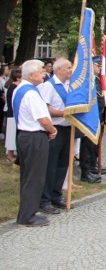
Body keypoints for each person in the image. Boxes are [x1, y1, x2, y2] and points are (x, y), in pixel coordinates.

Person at [15, 59, 57, 227]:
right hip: (34, 137)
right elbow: (43, 119)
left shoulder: (20, 89)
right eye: (41, 71)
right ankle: (28, 215)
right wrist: (52, 130)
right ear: (31, 75)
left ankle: (26, 211)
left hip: (24, 135)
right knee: (35, 177)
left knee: (28, 176)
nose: (44, 73)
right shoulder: (31, 93)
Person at [37, 58, 73, 215]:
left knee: (62, 165)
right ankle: (44, 199)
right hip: (55, 128)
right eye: (68, 68)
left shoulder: (69, 86)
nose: (71, 70)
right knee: (50, 165)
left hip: (67, 129)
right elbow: (44, 108)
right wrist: (64, 113)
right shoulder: (48, 86)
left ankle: (56, 194)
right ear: (59, 70)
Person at [3, 68, 21, 163]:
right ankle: (10, 154)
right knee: (11, 134)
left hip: (13, 113)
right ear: (18, 78)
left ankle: (11, 153)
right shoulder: (13, 87)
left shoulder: (13, 87)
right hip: (12, 113)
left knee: (12, 133)